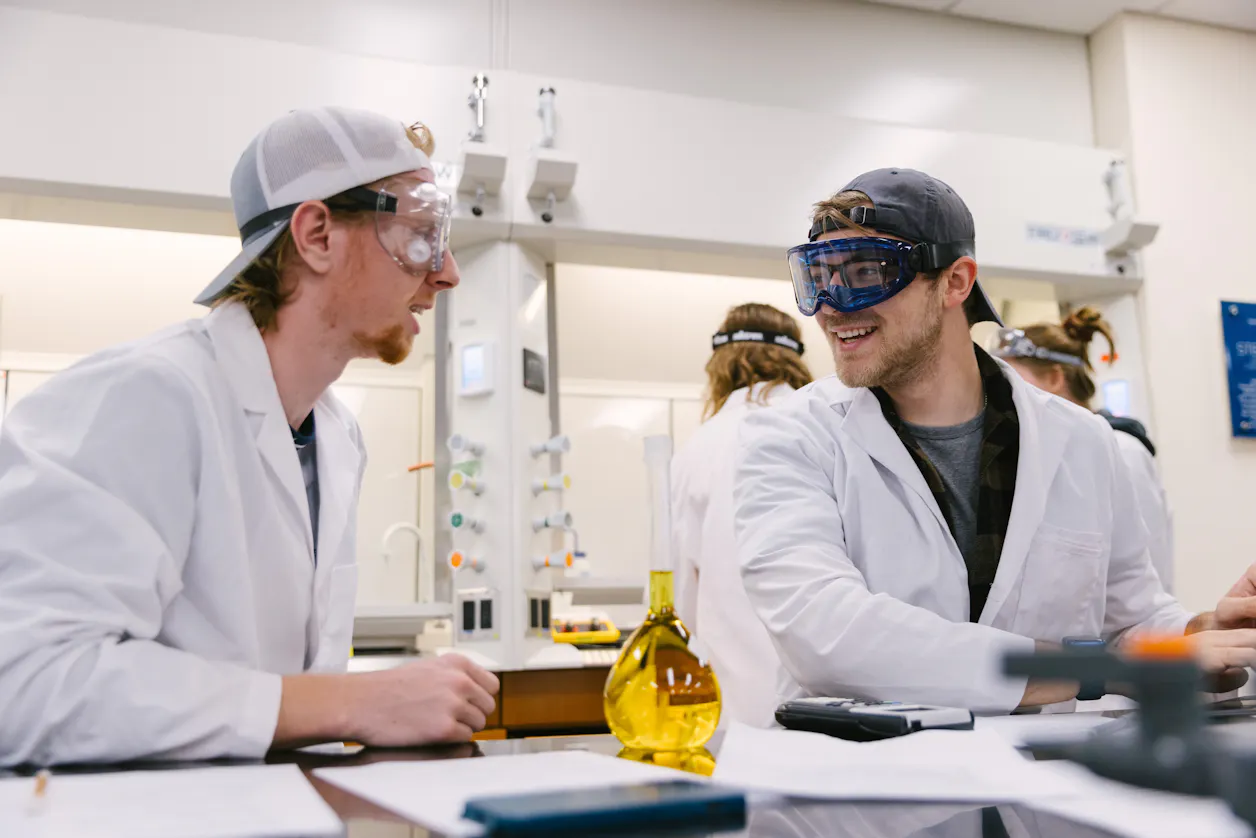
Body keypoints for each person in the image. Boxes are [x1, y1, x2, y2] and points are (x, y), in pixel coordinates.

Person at [0, 107, 499, 766]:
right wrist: (352, 703)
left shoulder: (337, 434)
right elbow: (24, 684)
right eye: (418, 233)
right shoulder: (148, 395)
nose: (446, 273)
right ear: (317, 234)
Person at [734, 167, 1256, 714]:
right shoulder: (791, 437)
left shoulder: (1082, 442)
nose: (832, 305)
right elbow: (827, 635)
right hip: (872, 789)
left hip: (1042, 788)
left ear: (956, 281)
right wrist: (1097, 670)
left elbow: (1132, 621)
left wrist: (1207, 632)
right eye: (816, 277)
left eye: (867, 272)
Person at [672, 303, 814, 727]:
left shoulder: (698, 450)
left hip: (736, 710)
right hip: (838, 703)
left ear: (719, 365)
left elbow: (679, 598)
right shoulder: (825, 426)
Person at [991, 309, 1174, 593]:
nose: (1004, 394)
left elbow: (1149, 583)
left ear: (1054, 378)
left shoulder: (1123, 451)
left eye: (1014, 380)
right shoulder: (1040, 454)